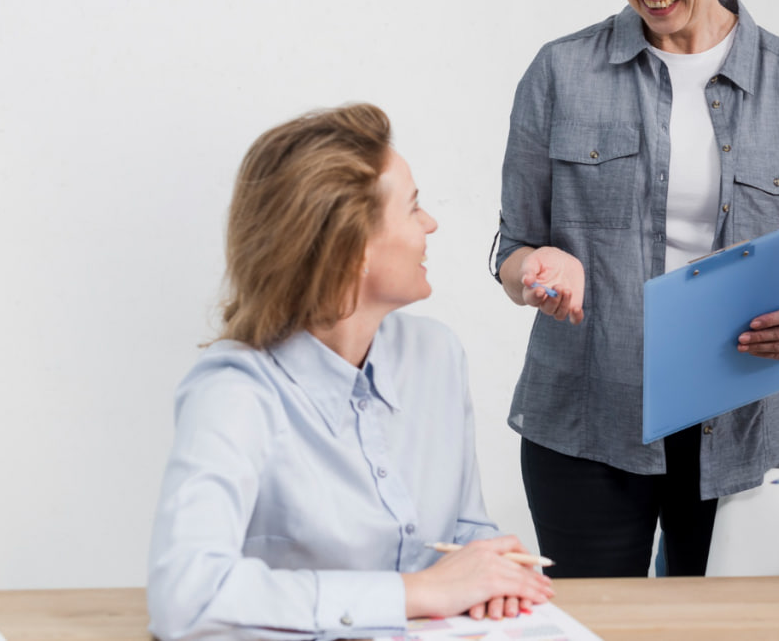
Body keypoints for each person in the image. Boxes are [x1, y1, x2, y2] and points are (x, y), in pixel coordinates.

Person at [494, 0, 779, 578]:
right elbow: (513, 246)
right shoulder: (560, 71)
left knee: (727, 630)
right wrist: (537, 269)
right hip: (590, 416)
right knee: (594, 624)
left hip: (747, 420)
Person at [148, 104, 554, 641]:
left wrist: (492, 569)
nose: (430, 223)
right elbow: (186, 596)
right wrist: (422, 593)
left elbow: (463, 532)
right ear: (352, 249)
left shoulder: (437, 356)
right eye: (413, 209)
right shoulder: (234, 391)